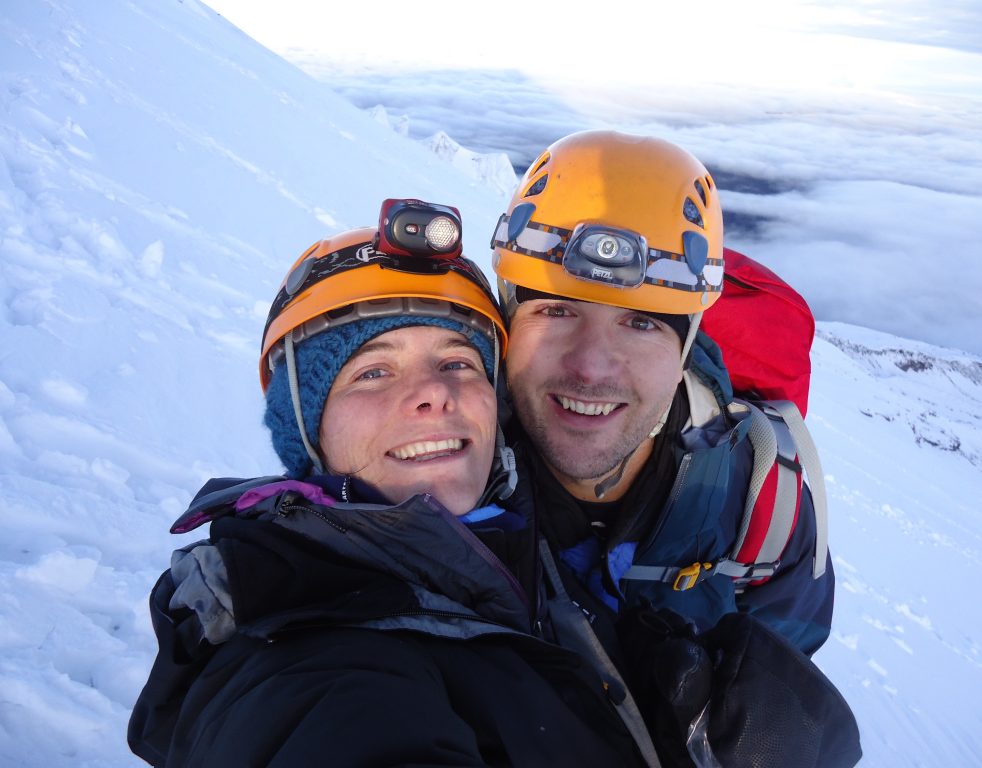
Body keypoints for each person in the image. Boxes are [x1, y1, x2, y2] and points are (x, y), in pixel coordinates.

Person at [127, 200, 649, 767]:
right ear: (307, 429)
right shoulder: (311, 660)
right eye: (373, 372)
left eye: (458, 363)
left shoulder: (524, 544)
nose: (434, 392)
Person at [490, 130, 835, 656]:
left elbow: (787, 659)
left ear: (685, 352)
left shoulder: (761, 502)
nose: (590, 367)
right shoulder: (436, 470)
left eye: (642, 323)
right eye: (556, 311)